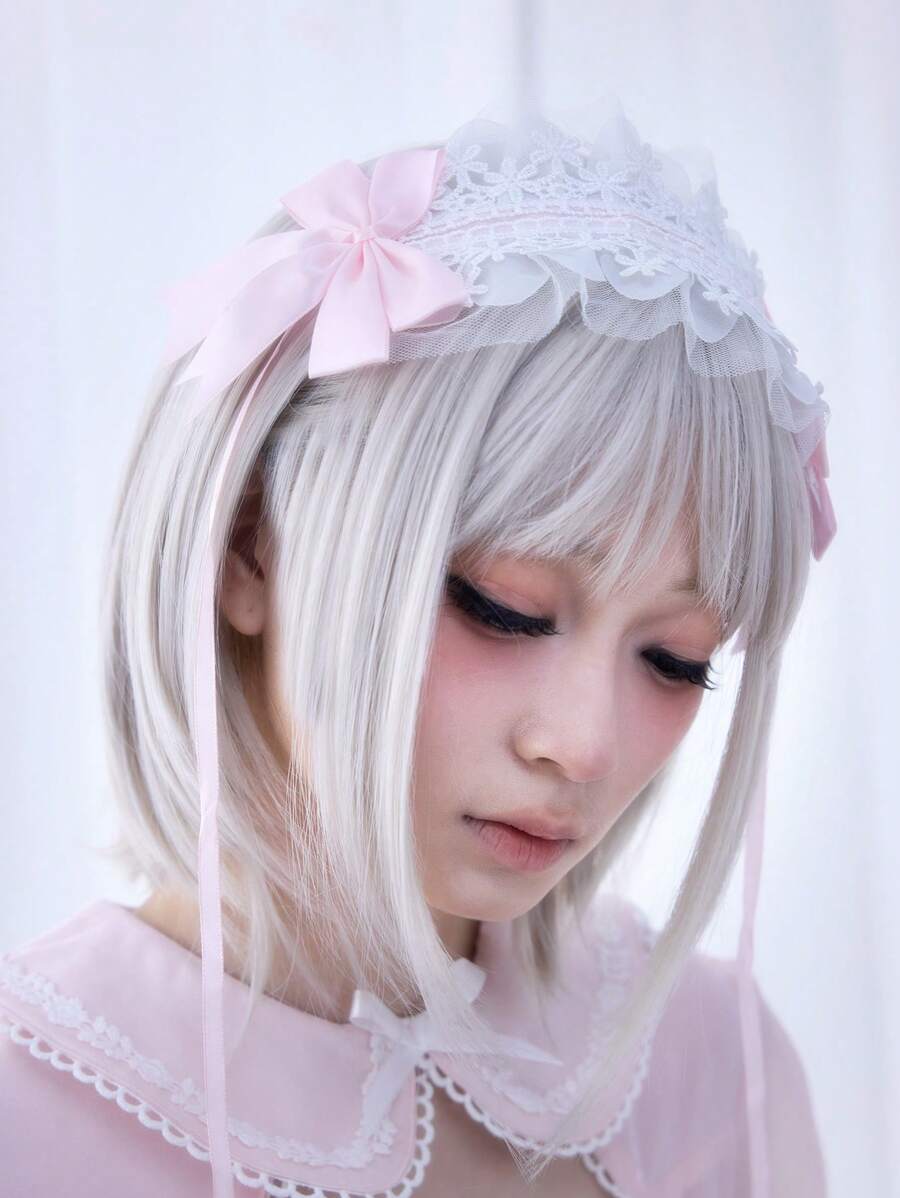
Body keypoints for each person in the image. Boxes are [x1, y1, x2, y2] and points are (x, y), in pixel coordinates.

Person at [0, 97, 833, 1197]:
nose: (584, 745)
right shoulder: (32, 1117)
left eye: (676, 658)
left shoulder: (709, 1072)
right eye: (505, 607)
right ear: (249, 547)